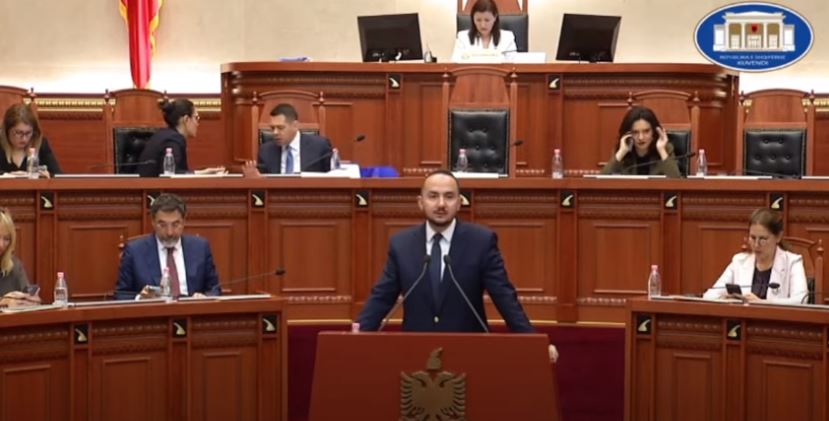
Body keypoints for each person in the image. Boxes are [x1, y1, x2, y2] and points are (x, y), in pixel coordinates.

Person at [356, 169, 558, 362]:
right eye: (433, 196)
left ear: (460, 203)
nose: (441, 204)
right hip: (416, 350)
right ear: (420, 202)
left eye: (449, 196)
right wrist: (357, 334)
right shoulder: (402, 244)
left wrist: (532, 340)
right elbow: (382, 296)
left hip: (468, 350)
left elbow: (504, 296)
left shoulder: (480, 241)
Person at [114, 193, 221, 299]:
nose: (170, 232)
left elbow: (215, 289)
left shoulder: (200, 248)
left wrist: (205, 297)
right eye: (163, 225)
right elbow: (121, 294)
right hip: (153, 310)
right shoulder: (135, 251)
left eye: (175, 224)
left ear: (184, 222)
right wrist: (140, 298)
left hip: (192, 309)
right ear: (153, 222)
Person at [703, 208, 808, 304]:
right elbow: (709, 296)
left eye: (763, 239)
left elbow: (801, 300)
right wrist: (727, 299)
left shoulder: (792, 262)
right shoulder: (739, 262)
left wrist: (762, 303)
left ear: (778, 237)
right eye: (753, 238)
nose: (756, 245)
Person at [137, 99, 225, 177]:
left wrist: (204, 173)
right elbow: (173, 176)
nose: (197, 123)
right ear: (186, 119)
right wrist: (204, 175)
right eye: (196, 118)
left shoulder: (165, 134)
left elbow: (178, 173)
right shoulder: (173, 140)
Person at [242, 103, 332, 177]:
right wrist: (256, 180)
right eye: (272, 128)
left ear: (295, 125)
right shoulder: (266, 151)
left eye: (280, 128)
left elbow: (332, 176)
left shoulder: (320, 146)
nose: (275, 132)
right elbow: (263, 182)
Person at [600, 106, 681, 178]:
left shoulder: (666, 149)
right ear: (628, 134)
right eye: (635, 132)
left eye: (646, 131)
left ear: (654, 131)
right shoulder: (622, 150)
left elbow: (677, 182)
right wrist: (621, 152)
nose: (641, 137)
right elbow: (601, 181)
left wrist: (661, 150)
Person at [0, 103, 62, 177]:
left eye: (28, 133)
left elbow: (58, 176)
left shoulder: (41, 144)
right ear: (7, 131)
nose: (24, 138)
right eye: (18, 132)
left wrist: (48, 175)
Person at [451, 0, 517, 62]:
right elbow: (455, 64)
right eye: (478, 20)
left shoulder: (507, 38)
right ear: (473, 19)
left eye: (487, 20)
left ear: (495, 17)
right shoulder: (463, 38)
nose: (483, 25)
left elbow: (514, 66)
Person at [0, 209, 41, 307]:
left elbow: (26, 293)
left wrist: (32, 300)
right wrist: (3, 302)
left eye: (6, 239)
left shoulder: (13, 264)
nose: (1, 245)